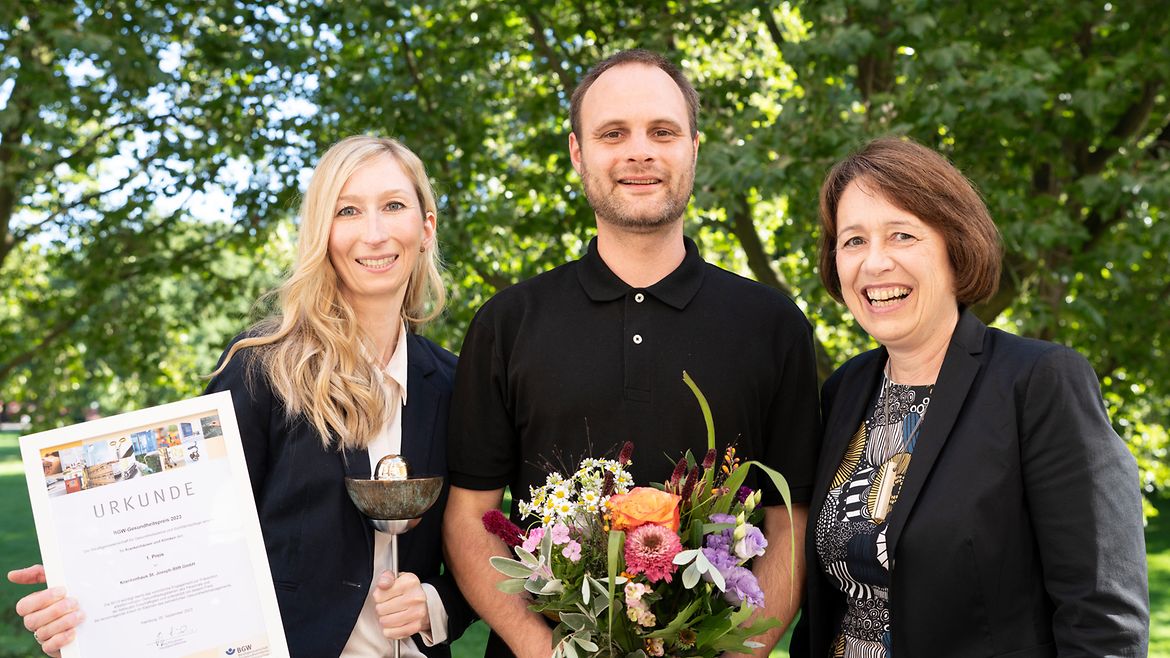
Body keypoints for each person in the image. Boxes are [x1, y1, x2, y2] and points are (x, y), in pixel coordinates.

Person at [9, 135, 476, 657]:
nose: (374, 233)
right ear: (323, 233)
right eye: (347, 210)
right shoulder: (261, 366)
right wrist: (98, 584)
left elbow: (479, 548)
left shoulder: (457, 384)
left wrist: (435, 605)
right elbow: (196, 526)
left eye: (393, 206)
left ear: (426, 226)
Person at [441, 49, 821, 657]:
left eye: (662, 132)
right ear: (577, 153)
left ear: (694, 148)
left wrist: (737, 654)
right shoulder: (508, 323)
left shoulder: (773, 326)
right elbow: (469, 519)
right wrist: (542, 651)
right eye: (613, 133)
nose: (639, 152)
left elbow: (790, 525)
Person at [789, 137, 1149, 656]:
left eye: (902, 235)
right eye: (853, 241)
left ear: (954, 246)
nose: (874, 263)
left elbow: (1103, 617)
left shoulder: (1038, 382)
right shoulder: (845, 390)